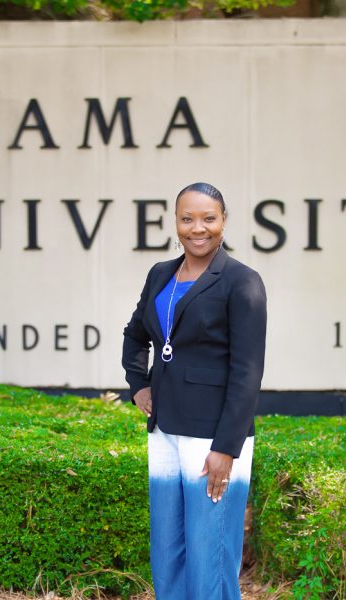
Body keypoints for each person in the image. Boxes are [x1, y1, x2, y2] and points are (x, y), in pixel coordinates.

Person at [122, 182, 267, 600]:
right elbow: (136, 336)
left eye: (208, 218)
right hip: (164, 430)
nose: (197, 228)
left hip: (213, 438)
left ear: (223, 223)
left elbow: (247, 372)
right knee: (167, 551)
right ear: (176, 222)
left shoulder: (242, 282)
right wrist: (139, 385)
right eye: (187, 218)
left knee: (210, 554)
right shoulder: (161, 274)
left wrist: (227, 447)